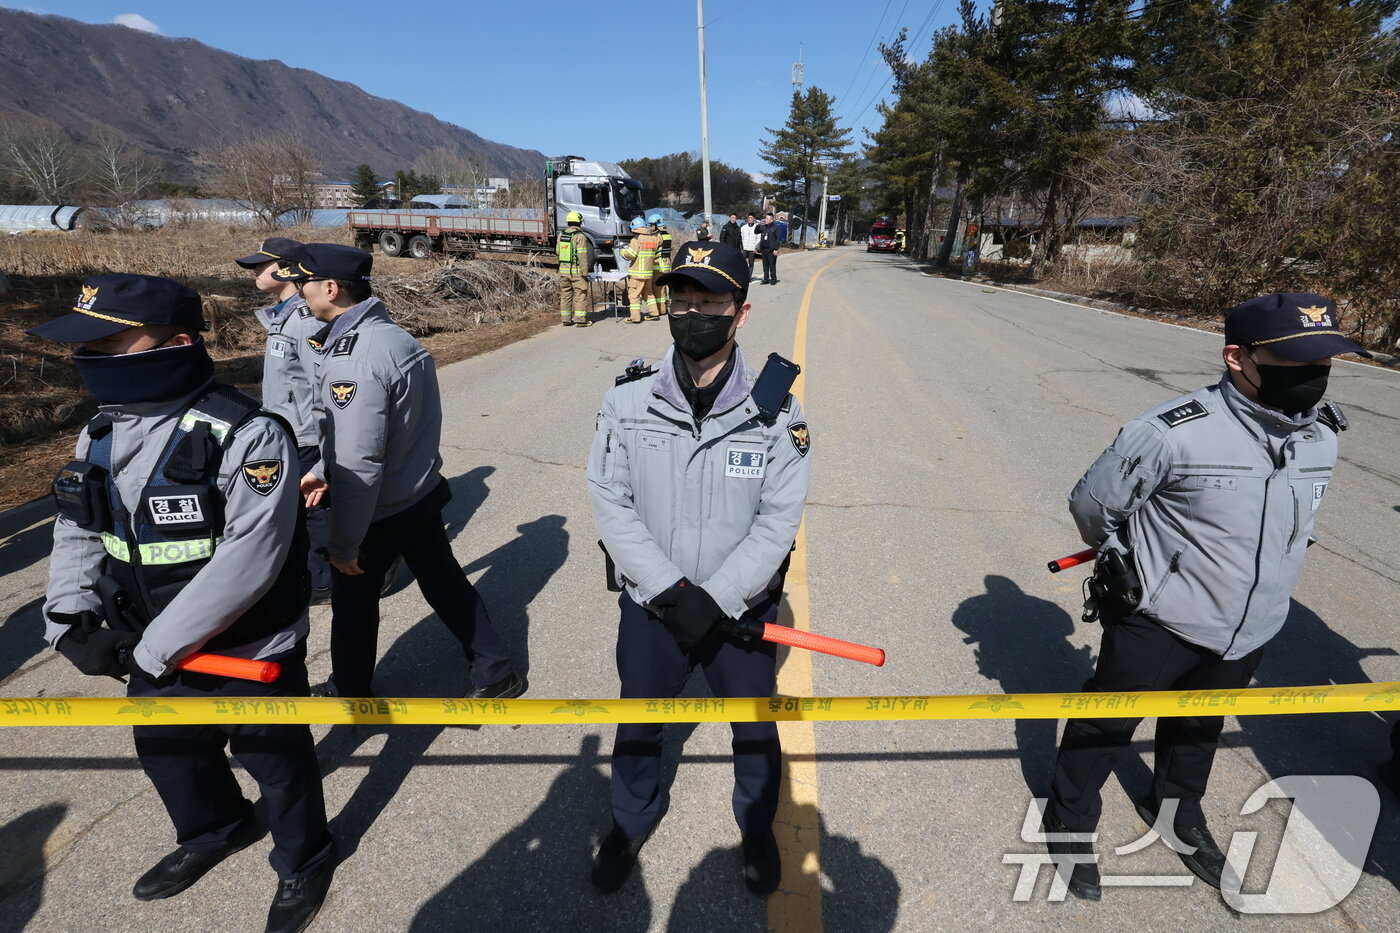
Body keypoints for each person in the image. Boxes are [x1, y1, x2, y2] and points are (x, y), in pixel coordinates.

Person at [30, 273, 334, 933]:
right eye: (88, 344)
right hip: (153, 647)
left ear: (180, 342)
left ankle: (305, 856)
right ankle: (216, 829)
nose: (91, 357)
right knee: (170, 750)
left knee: (277, 763)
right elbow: (79, 528)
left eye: (110, 342)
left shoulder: (249, 435)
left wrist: (153, 650)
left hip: (247, 649)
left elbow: (248, 563)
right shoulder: (101, 432)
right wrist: (68, 622)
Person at [1042, 292, 1368, 901]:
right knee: (1105, 723)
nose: (1315, 378)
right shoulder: (1171, 433)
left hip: (1254, 624)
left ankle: (1175, 808)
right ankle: (1069, 815)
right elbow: (1092, 503)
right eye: (1296, 362)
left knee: (1198, 725)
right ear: (1237, 358)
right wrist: (1132, 565)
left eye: (1325, 361)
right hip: (1161, 619)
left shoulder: (1320, 438)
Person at [587, 240, 812, 897]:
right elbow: (610, 499)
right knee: (640, 721)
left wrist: (715, 598)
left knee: (753, 725)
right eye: (681, 300)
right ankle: (629, 821)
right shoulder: (628, 399)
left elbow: (778, 520)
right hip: (652, 609)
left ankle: (756, 826)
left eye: (710, 301)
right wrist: (668, 590)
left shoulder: (775, 412)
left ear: (740, 313)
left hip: (738, 613)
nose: (692, 313)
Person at [282, 245, 526, 700]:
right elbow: (382, 433)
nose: (299, 295)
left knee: (353, 604)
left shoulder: (351, 359)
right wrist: (322, 468)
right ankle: (497, 672)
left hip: (381, 509)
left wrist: (344, 544)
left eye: (304, 286)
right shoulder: (391, 335)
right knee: (445, 583)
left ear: (331, 289)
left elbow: (359, 461)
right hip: (419, 492)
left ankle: (350, 690)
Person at [235, 237, 333, 604]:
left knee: (312, 507)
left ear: (287, 269)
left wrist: (322, 441)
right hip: (287, 430)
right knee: (299, 507)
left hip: (305, 433)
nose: (254, 272)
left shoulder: (304, 320)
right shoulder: (283, 315)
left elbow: (323, 382)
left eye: (261, 265)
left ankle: (325, 579)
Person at [556, 211, 595, 327]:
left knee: (566, 295)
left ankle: (566, 319)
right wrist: (585, 272)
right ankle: (580, 320)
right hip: (577, 272)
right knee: (580, 295)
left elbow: (557, 252)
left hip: (563, 271)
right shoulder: (580, 236)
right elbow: (582, 256)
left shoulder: (561, 234)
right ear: (579, 222)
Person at [618, 217, 660, 323]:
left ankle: (635, 318)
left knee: (634, 296)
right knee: (648, 294)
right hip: (648, 273)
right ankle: (654, 314)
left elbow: (631, 255)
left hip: (637, 274)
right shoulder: (652, 239)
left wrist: (622, 252)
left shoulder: (636, 240)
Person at [650, 214, 673, 314]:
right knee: (664, 288)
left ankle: (661, 310)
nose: (650, 227)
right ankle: (665, 306)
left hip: (658, 265)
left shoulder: (658, 236)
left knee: (658, 289)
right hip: (666, 264)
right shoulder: (667, 234)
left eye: (651, 225)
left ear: (656, 224)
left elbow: (652, 248)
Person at [757, 212, 781, 285]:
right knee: (765, 265)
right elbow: (756, 231)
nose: (766, 220)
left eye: (767, 218)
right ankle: (766, 279)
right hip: (764, 249)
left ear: (771, 219)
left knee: (772, 265)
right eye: (766, 218)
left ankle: (773, 279)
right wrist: (758, 225)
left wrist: (776, 249)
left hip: (771, 250)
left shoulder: (775, 228)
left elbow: (778, 239)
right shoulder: (764, 227)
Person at [738, 213, 761, 277]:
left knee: (751, 264)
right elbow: (741, 238)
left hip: (752, 249)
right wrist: (741, 247)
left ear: (754, 219)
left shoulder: (757, 227)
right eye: (749, 218)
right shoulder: (743, 227)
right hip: (744, 249)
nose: (750, 219)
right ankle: (741, 275)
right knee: (741, 263)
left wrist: (756, 248)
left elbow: (759, 239)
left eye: (751, 218)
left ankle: (749, 277)